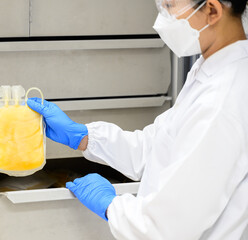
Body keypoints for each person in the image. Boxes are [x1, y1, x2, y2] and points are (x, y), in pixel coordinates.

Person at [27, 0, 248, 239]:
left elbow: (166, 228)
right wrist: (84, 137)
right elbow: (159, 149)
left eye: (170, 6)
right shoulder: (210, 71)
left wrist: (111, 206)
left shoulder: (223, 101)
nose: (161, 18)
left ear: (212, 11)